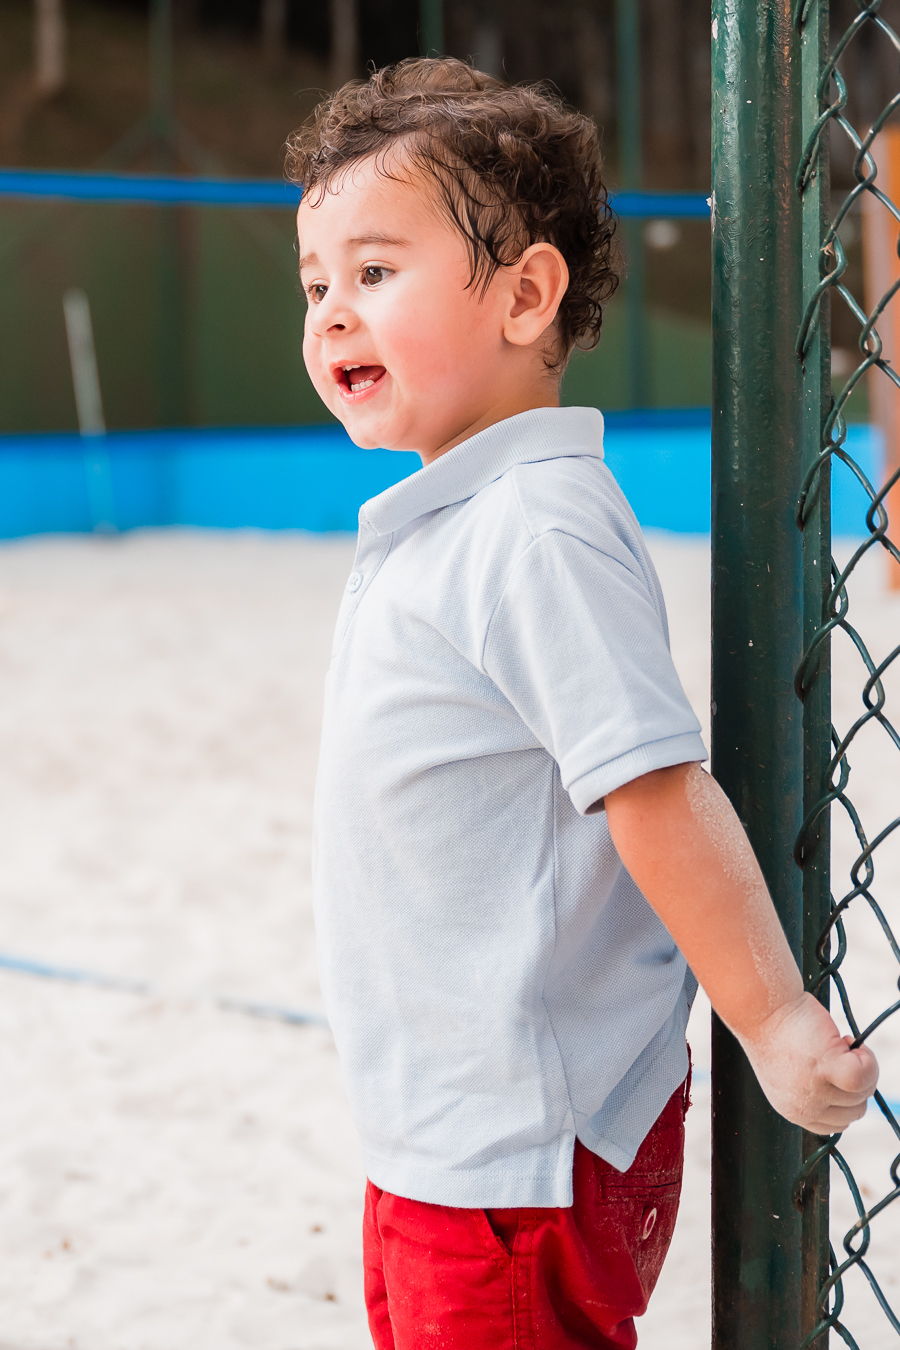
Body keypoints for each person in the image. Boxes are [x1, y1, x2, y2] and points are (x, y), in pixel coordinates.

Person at [287, 57, 879, 1350]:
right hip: (443, 1131)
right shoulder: (460, 518)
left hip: (518, 1153)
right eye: (316, 284)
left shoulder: (534, 530)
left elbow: (652, 786)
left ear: (526, 294)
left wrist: (772, 1017)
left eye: (375, 272)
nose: (331, 315)